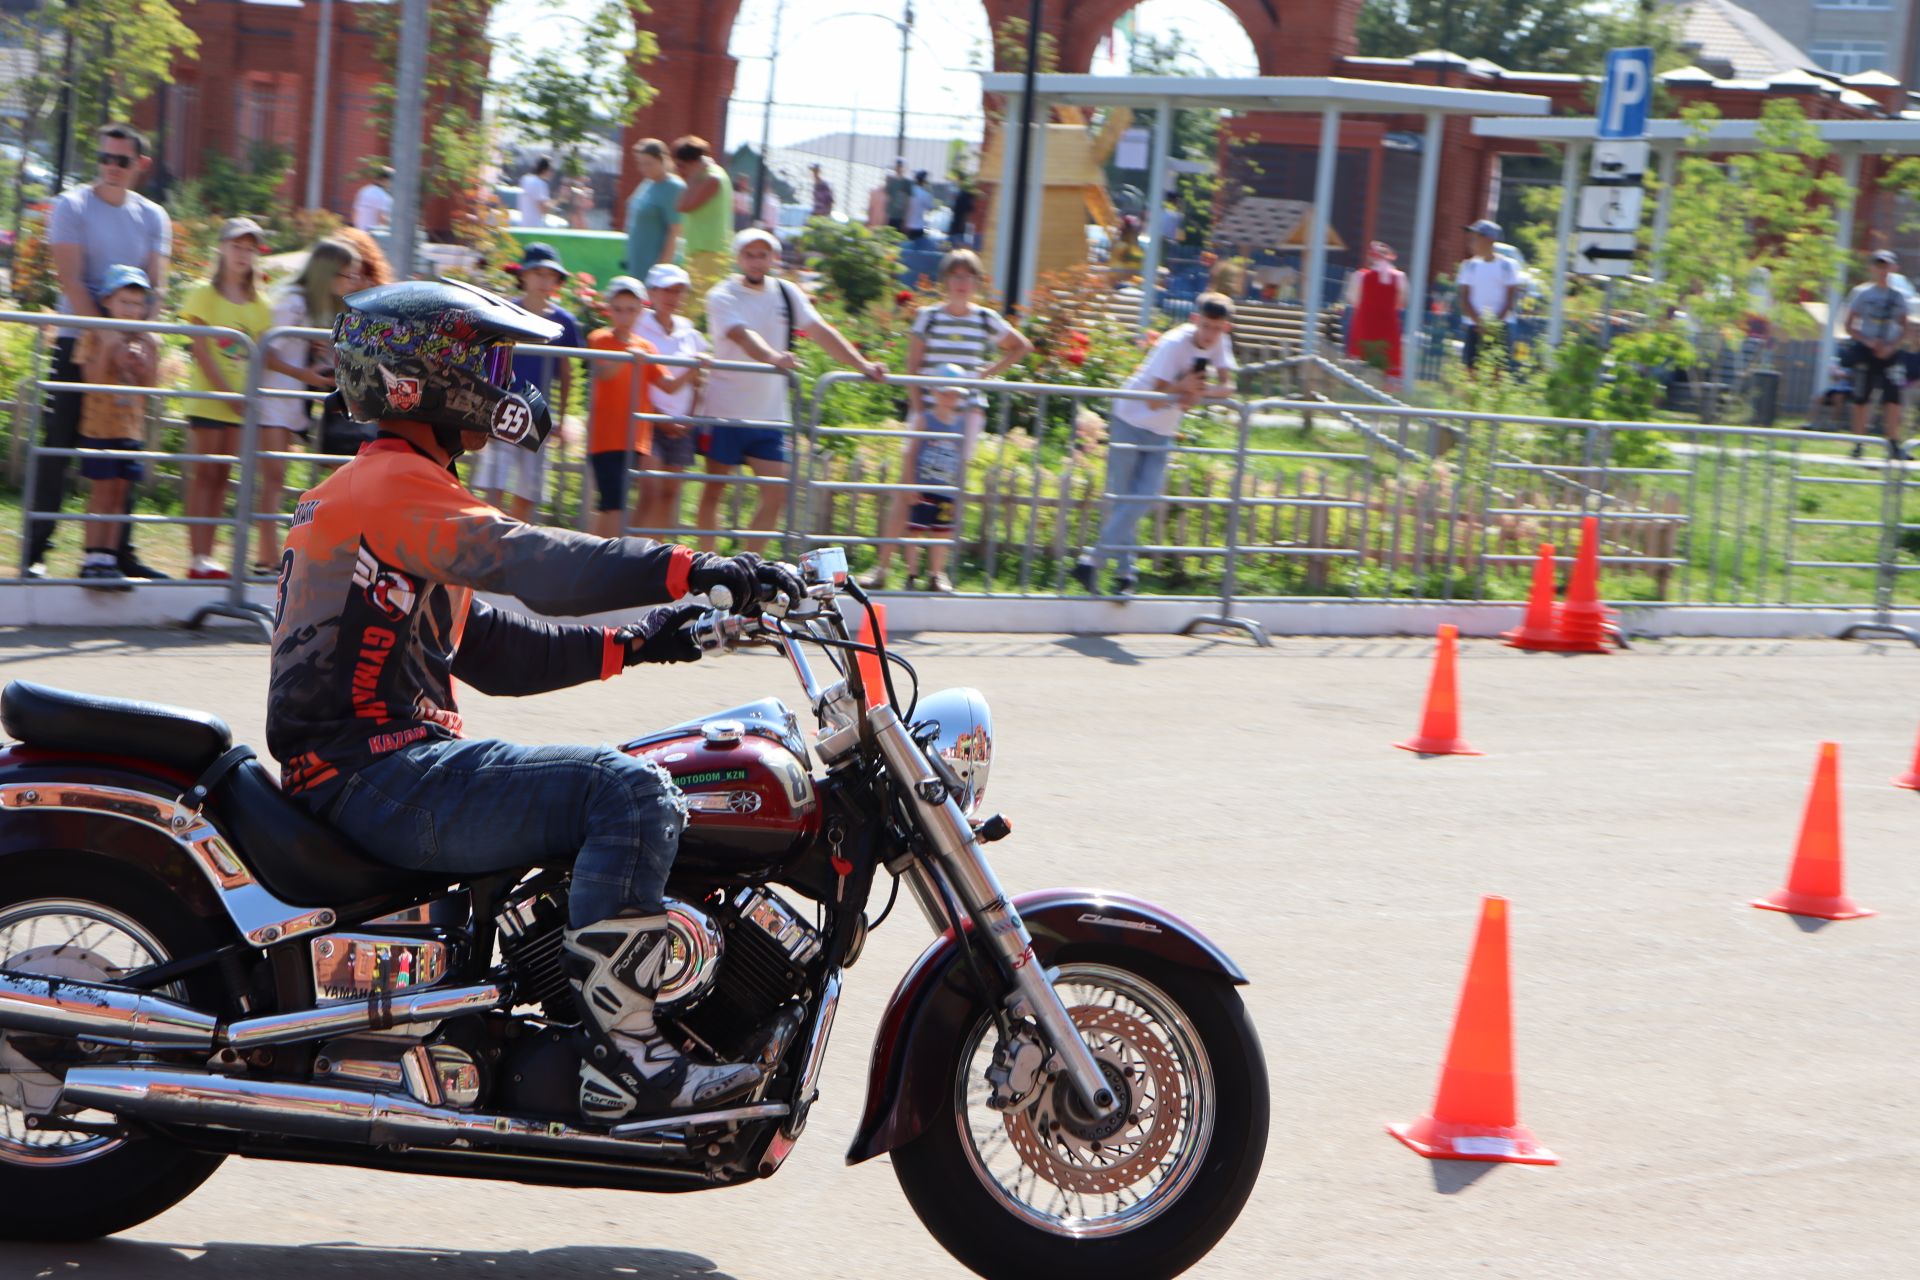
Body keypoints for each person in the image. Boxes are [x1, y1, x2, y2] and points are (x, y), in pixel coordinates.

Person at [268, 278, 805, 1122]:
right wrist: (694, 566)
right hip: (378, 773)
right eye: (489, 359)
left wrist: (648, 640)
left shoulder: (384, 491)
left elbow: (494, 649)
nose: (508, 380)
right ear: (424, 375)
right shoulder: (394, 490)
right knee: (626, 789)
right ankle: (631, 1058)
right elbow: (537, 566)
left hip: (375, 770)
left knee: (617, 777)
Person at [27, 122, 172, 581]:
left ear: (139, 165)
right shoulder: (71, 205)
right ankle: (34, 551)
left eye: (121, 160)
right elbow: (71, 278)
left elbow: (158, 286)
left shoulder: (153, 216)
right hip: (79, 342)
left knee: (123, 445)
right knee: (59, 444)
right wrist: (108, 337)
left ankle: (118, 553)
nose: (111, 167)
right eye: (105, 158)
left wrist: (135, 341)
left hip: (129, 344)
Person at [699, 228, 886, 553]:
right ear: (738, 258)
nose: (757, 262)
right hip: (725, 410)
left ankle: (748, 568)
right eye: (750, 255)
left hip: (770, 414)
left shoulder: (787, 292)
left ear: (773, 258)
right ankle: (707, 567)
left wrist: (863, 366)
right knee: (714, 491)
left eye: (763, 255)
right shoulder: (721, 294)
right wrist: (774, 357)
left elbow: (821, 331)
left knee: (777, 494)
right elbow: (741, 335)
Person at [864, 248, 1031, 590]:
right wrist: (920, 409)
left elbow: (1021, 346)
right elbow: (912, 367)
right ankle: (883, 568)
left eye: (968, 277)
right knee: (908, 486)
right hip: (928, 410)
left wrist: (987, 373)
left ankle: (937, 572)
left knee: (949, 491)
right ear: (945, 281)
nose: (961, 283)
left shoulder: (985, 318)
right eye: (955, 276)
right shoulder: (929, 317)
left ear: (977, 283)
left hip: (965, 414)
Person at [1071, 292, 1238, 597]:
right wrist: (1184, 388)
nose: (1211, 335)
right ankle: (1126, 576)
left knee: (1142, 498)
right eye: (1207, 327)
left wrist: (1200, 391)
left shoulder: (1219, 342)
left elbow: (1228, 387)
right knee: (1126, 501)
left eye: (1218, 328)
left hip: (1162, 430)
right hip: (1131, 420)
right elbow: (1152, 398)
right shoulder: (1174, 344)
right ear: (1195, 320)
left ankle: (1092, 561)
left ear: (1225, 327)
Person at [178, 217, 274, 580]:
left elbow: (262, 353)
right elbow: (199, 347)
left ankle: (208, 557)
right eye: (236, 246)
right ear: (221, 248)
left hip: (240, 405)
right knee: (204, 473)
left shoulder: (259, 303)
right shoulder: (204, 293)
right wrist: (227, 393)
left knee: (222, 476)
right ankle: (197, 555)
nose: (242, 255)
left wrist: (245, 396)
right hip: (209, 400)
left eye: (249, 249)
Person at [260, 241, 368, 557]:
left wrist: (319, 364)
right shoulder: (292, 303)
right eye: (347, 275)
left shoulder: (319, 307)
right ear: (328, 273)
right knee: (273, 478)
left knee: (278, 479)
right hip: (275, 397)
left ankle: (274, 553)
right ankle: (266, 557)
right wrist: (304, 374)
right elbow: (264, 353)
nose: (352, 282)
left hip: (294, 400)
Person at [470, 242, 582, 521]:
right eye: (538, 273)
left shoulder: (564, 322)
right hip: (502, 409)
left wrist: (563, 417)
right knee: (495, 485)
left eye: (551, 275)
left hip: (538, 414)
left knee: (528, 491)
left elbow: (566, 372)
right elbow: (487, 358)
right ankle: (490, 543)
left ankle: (516, 547)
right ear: (524, 276)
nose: (545, 281)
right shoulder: (505, 313)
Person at [584, 275, 702, 538]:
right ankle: (605, 560)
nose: (624, 316)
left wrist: (694, 367)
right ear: (608, 309)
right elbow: (604, 374)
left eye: (631, 310)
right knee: (611, 505)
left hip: (635, 439)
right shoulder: (600, 338)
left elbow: (667, 384)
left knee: (619, 503)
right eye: (618, 309)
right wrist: (628, 356)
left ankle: (609, 557)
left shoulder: (644, 346)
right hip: (605, 437)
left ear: (640, 311)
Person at [72, 265, 160, 591]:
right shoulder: (94, 334)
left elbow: (151, 386)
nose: (132, 310)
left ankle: (109, 557)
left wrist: (143, 359)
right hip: (99, 427)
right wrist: (111, 346)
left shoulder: (147, 339)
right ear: (108, 301)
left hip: (130, 428)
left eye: (138, 304)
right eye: (125, 302)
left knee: (120, 493)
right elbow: (92, 380)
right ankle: (91, 557)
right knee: (101, 492)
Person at [635, 262, 710, 536]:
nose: (673, 297)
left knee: (670, 492)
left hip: (682, 423)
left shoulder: (690, 333)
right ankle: (630, 552)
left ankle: (658, 556)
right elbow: (638, 381)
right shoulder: (639, 328)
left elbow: (699, 379)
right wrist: (658, 417)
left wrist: (690, 417)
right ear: (652, 293)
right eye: (667, 290)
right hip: (649, 421)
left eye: (678, 291)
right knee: (650, 489)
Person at [1844, 250, 1913, 460]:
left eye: (1886, 265)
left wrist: (1892, 346)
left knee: (1893, 397)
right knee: (1861, 397)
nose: (1882, 270)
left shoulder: (1898, 296)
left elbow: (1905, 326)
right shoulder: (1862, 294)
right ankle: (1858, 443)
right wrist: (1867, 341)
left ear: (1893, 268)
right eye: (1878, 265)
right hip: (1867, 350)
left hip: (1890, 352)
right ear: (1872, 268)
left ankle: (1893, 443)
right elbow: (1849, 324)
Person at [673, 137, 735, 306]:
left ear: (694, 163)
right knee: (690, 306)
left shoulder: (712, 179)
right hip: (700, 251)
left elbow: (683, 206)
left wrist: (692, 178)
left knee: (698, 308)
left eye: (681, 166)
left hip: (710, 253)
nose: (679, 172)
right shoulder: (708, 176)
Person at [1456, 218, 1519, 373]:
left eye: (1475, 238)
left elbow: (1510, 299)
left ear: (1489, 240)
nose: (1471, 242)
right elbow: (1465, 298)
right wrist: (1480, 323)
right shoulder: (1469, 266)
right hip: (1475, 326)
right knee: (1471, 372)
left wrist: (1493, 325)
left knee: (1497, 373)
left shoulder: (1507, 266)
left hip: (1500, 327)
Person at [1344, 240, 1408, 386]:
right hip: (1388, 324)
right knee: (1388, 353)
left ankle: (1358, 383)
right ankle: (1389, 385)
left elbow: (1353, 300)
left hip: (1364, 322)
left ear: (1371, 258)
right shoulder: (1399, 277)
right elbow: (1401, 303)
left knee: (1362, 351)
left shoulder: (1360, 276)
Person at [623, 138, 684, 278]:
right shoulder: (647, 183)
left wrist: (662, 269)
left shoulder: (673, 187)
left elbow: (675, 230)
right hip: (637, 260)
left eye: (649, 164)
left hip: (655, 264)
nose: (644, 169)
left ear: (663, 160)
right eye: (641, 164)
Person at [351, 166, 393, 232]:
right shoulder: (384, 196)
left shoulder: (364, 191)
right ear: (385, 180)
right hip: (374, 237)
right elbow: (382, 219)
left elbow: (355, 213)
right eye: (391, 180)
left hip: (360, 234)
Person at [517, 157, 555, 228]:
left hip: (524, 225)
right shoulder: (540, 183)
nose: (552, 173)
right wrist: (560, 199)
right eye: (551, 170)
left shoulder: (526, 179)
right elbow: (544, 209)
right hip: (535, 227)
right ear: (544, 170)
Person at [903, 170, 935, 242]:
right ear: (924, 181)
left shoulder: (909, 192)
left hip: (907, 225)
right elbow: (930, 208)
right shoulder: (926, 194)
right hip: (918, 226)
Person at [947, 173, 977, 248]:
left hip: (959, 223)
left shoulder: (962, 194)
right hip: (960, 222)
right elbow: (970, 208)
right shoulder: (964, 194)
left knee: (956, 240)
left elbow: (959, 208)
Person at [883, 158, 912, 232]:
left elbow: (908, 200)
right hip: (891, 214)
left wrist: (906, 217)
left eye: (900, 167)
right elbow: (887, 197)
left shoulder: (907, 182)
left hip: (901, 216)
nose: (899, 168)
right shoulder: (891, 181)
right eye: (897, 166)